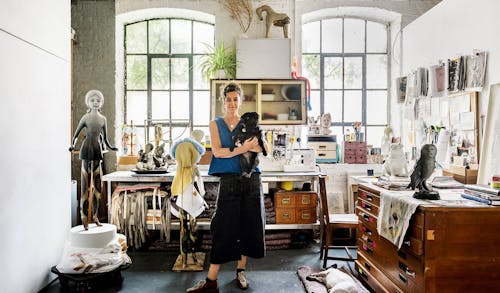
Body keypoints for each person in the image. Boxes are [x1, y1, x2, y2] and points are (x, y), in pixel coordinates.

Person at [187, 83, 267, 293]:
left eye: (235, 99)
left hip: (251, 180)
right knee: (223, 226)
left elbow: (262, 147)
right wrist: (244, 148)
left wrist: (252, 146)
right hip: (229, 180)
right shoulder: (216, 124)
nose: (232, 103)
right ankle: (211, 280)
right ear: (223, 102)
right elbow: (218, 152)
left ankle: (241, 271)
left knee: (248, 225)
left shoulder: (249, 121)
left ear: (240, 101)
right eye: (228, 99)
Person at [69, 90, 117, 230]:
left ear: (101, 103)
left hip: (97, 151)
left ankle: (95, 217)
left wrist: (111, 147)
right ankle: (84, 218)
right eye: (92, 100)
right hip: (86, 150)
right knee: (84, 185)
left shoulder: (103, 119)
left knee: (96, 186)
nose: (95, 102)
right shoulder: (85, 117)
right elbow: (76, 134)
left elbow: (106, 138)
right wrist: (72, 145)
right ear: (88, 102)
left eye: (98, 100)